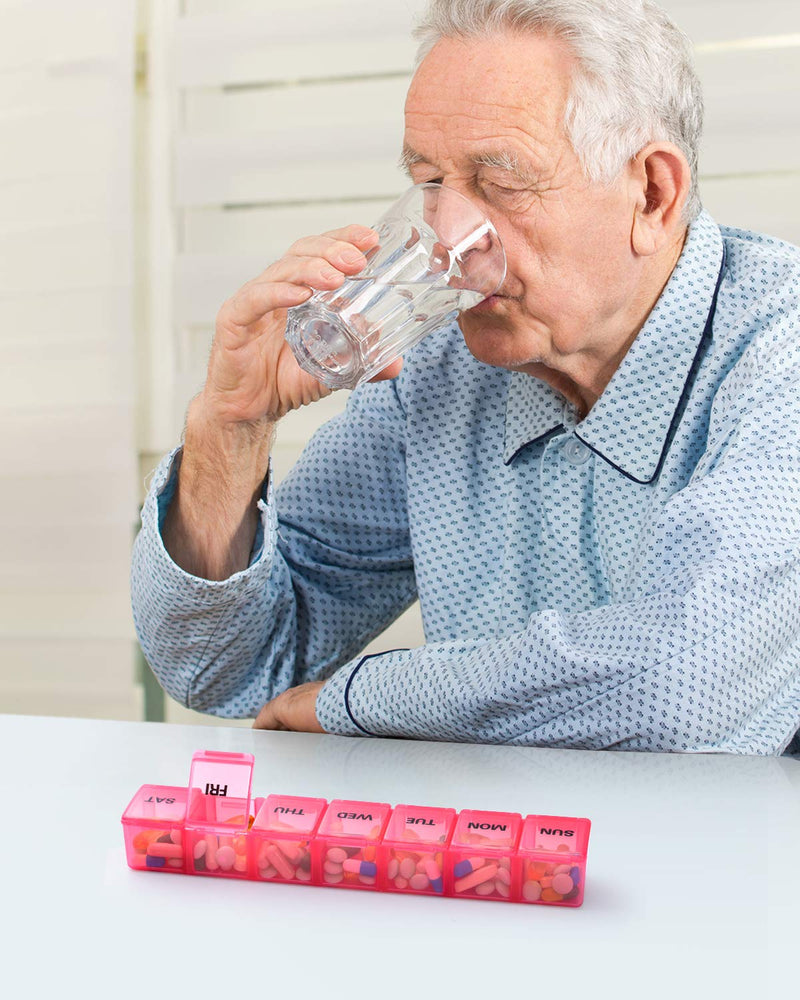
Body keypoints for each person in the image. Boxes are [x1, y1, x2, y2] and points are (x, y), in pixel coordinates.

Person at [131, 0, 800, 754]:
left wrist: (357, 702)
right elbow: (224, 667)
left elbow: (686, 682)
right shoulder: (442, 371)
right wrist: (231, 425)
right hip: (499, 864)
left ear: (652, 194)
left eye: (499, 182)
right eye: (431, 181)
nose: (448, 237)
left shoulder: (780, 355)